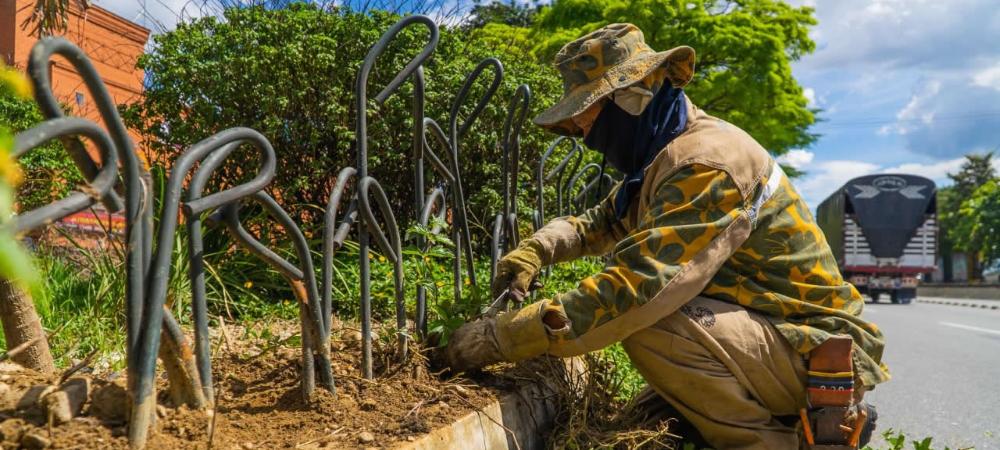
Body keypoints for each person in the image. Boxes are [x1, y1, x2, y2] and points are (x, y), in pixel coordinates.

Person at [440, 23, 887, 449]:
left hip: (811, 348)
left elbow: (637, 289)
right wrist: (534, 251)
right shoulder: (667, 157)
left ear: (632, 98)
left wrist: (503, 337)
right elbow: (599, 223)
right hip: (779, 337)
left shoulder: (706, 163)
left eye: (587, 114)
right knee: (656, 416)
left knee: (653, 323)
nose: (579, 131)